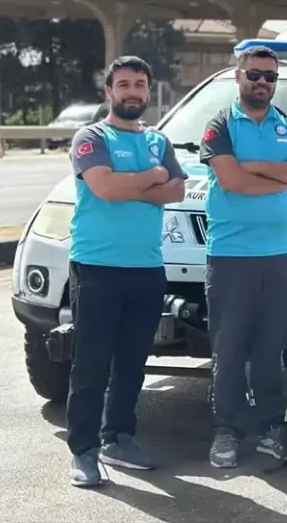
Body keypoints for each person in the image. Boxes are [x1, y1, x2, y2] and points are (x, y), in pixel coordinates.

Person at [65, 55, 188, 487]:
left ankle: (119, 438)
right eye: (124, 84)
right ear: (109, 91)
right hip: (97, 267)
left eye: (140, 84)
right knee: (91, 365)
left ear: (148, 91)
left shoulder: (158, 141)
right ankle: (84, 451)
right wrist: (149, 180)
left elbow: (177, 188)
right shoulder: (91, 136)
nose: (132, 91)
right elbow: (103, 187)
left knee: (133, 364)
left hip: (146, 269)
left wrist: (135, 183)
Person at [198, 44, 287, 469]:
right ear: (238, 76)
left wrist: (254, 170)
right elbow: (230, 181)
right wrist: (281, 175)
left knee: (272, 350)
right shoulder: (219, 126)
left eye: (270, 76)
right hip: (232, 256)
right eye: (254, 74)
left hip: (284, 256)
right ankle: (226, 431)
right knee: (229, 349)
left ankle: (271, 427)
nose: (262, 83)